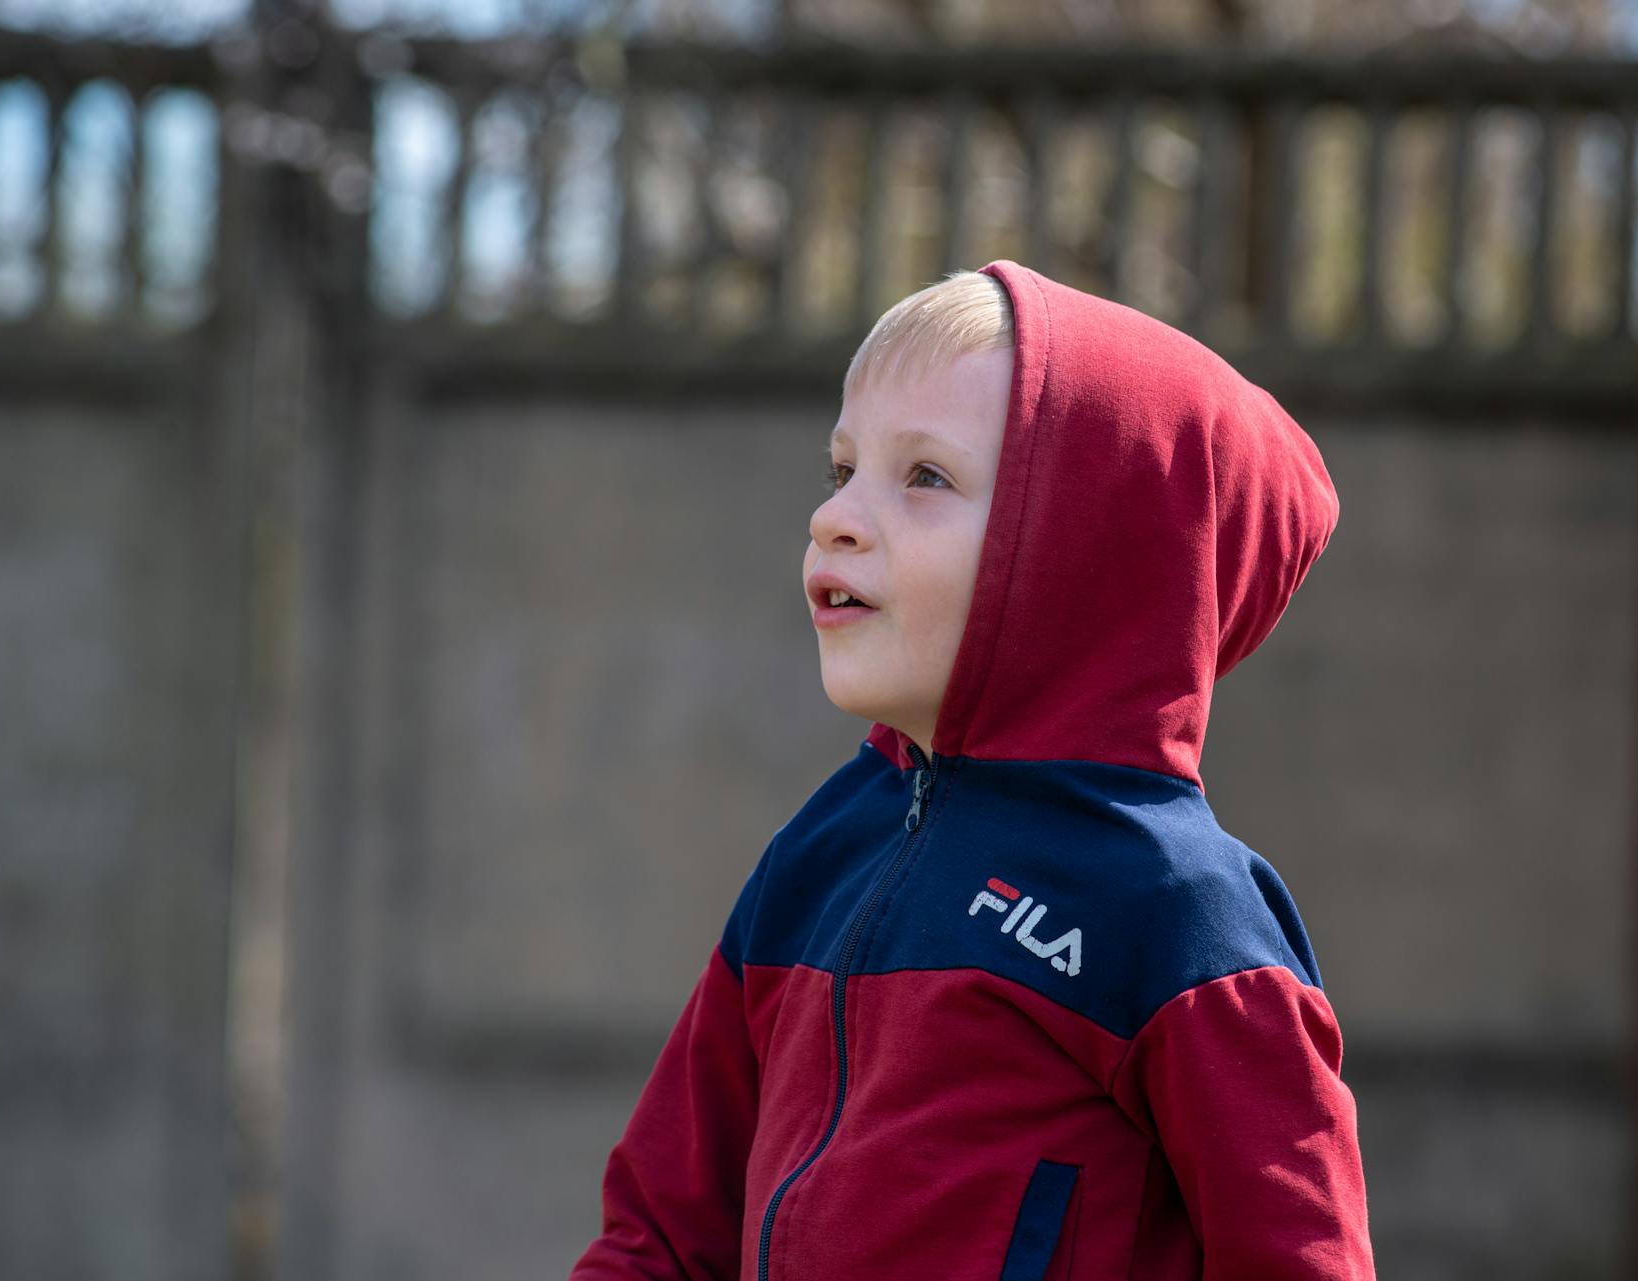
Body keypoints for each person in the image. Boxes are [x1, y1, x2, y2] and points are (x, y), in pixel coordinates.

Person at [567, 259, 1375, 1280]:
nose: (837, 517)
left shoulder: (1179, 911)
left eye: (924, 477)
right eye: (843, 469)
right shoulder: (820, 854)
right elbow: (661, 1229)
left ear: (1092, 557)